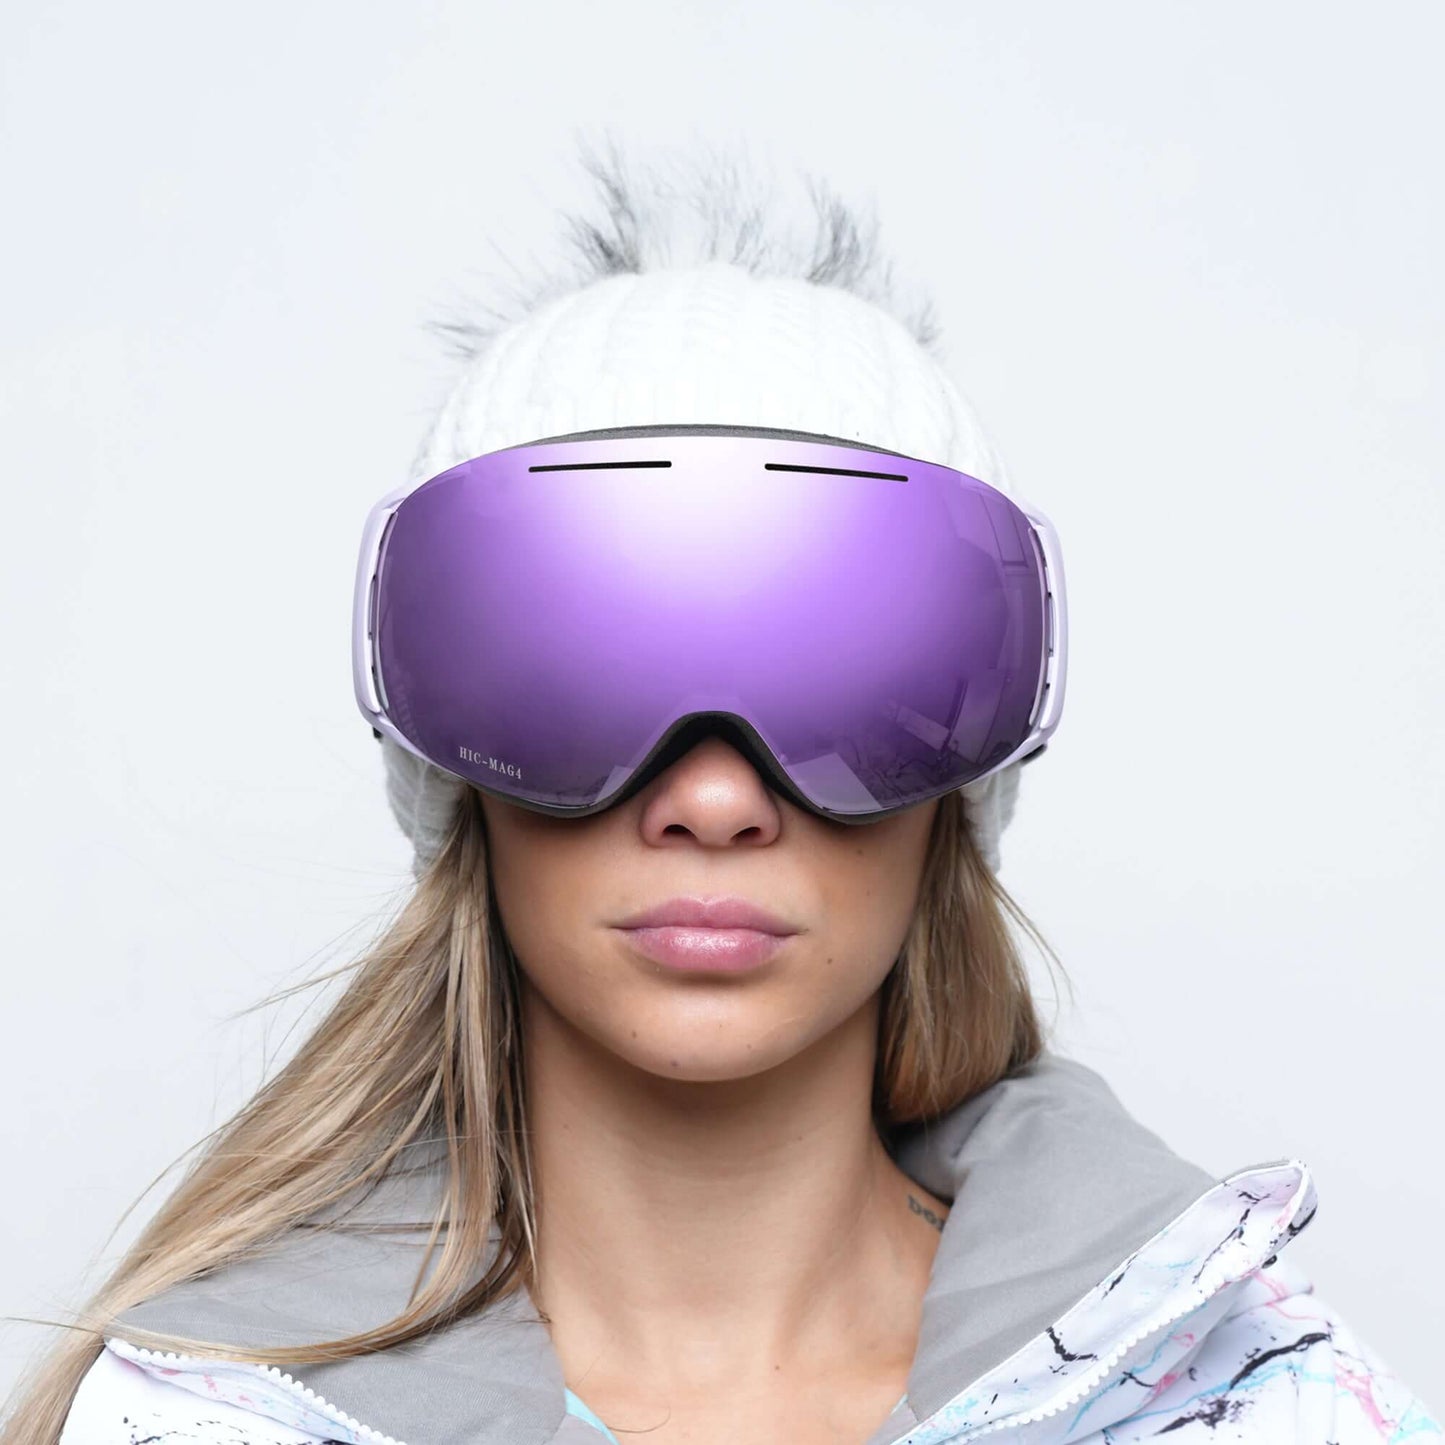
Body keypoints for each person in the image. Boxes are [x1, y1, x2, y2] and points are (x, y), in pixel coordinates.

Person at [6, 141, 1439, 1445]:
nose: (710, 798)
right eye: (579, 675)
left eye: (848, 677)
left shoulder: (1279, 1412)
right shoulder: (190, 1425)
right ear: (449, 770)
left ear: (966, 784)